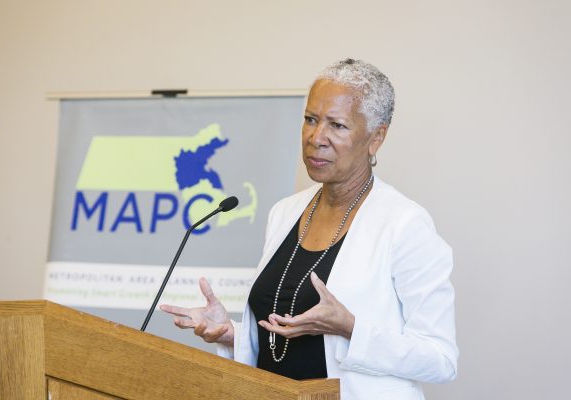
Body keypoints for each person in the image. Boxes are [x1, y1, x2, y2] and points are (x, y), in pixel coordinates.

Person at [160, 59, 458, 400]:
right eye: (310, 120)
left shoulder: (404, 225)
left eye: (338, 126)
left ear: (376, 137)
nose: (317, 138)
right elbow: (286, 345)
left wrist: (350, 327)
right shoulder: (285, 212)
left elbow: (440, 359)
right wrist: (232, 334)